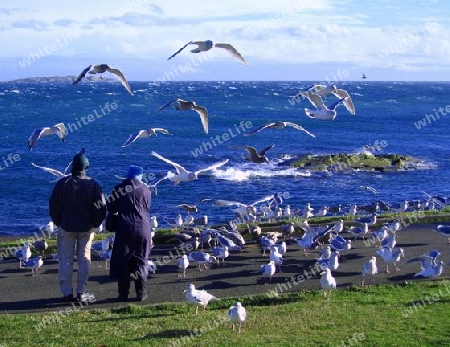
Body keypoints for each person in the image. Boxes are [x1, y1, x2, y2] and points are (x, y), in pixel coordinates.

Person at [49, 152, 106, 303]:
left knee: (65, 259)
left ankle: (67, 292)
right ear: (86, 166)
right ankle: (82, 291)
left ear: (73, 166)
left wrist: (59, 222)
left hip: (66, 227)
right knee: (84, 258)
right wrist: (96, 223)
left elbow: (54, 205)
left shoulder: (63, 183)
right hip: (86, 227)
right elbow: (101, 207)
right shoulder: (93, 184)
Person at [107, 165, 152, 302]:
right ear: (140, 176)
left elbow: (110, 207)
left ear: (128, 175)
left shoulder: (119, 189)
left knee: (123, 260)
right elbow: (147, 207)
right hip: (143, 229)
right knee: (141, 260)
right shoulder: (146, 189)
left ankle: (123, 295)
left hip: (124, 228)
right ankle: (141, 294)